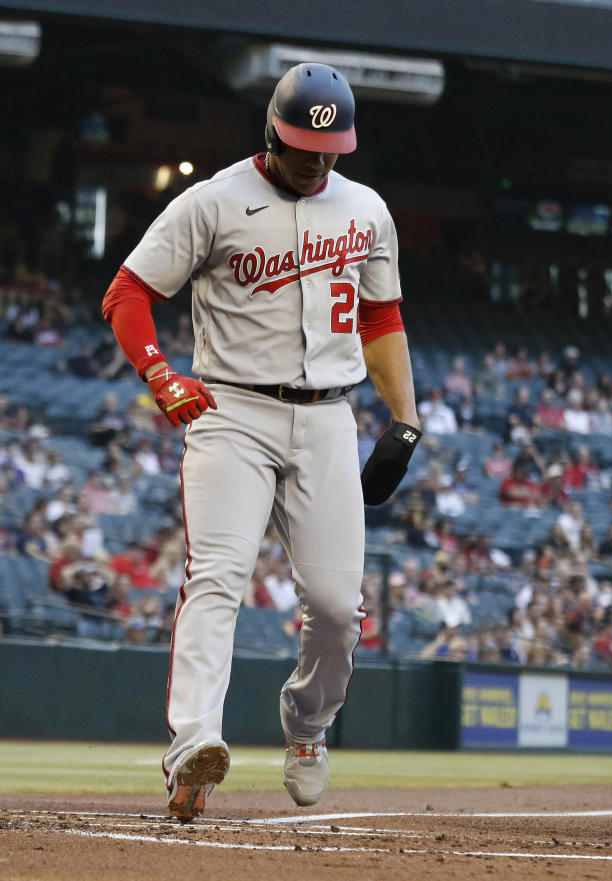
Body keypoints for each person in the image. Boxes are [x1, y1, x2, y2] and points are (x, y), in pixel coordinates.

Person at [101, 63, 421, 822]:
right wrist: (158, 373)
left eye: (330, 147)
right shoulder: (213, 201)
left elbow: (381, 320)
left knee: (339, 605)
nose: (317, 160)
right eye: (304, 145)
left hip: (327, 417)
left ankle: (306, 725)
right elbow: (129, 293)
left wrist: (404, 419)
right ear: (272, 133)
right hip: (231, 408)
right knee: (216, 577)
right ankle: (193, 749)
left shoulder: (367, 209)